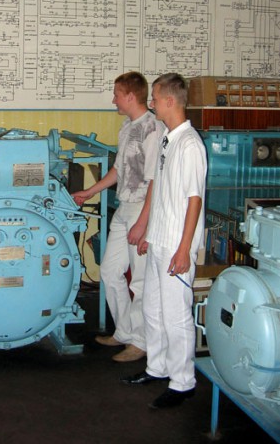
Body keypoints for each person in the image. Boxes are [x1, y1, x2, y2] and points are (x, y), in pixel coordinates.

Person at [120, 73, 207, 410]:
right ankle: (157, 368)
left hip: (176, 246)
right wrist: (147, 232)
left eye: (155, 98)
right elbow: (159, 191)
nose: (151, 103)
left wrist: (184, 249)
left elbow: (194, 200)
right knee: (152, 310)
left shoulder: (190, 145)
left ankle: (183, 382)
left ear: (170, 101)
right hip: (159, 239)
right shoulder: (167, 139)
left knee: (175, 316)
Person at [72, 71, 164, 362]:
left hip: (142, 209)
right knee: (110, 272)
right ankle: (125, 332)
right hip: (125, 206)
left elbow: (155, 181)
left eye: (116, 95)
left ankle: (141, 342)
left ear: (130, 96)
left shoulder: (154, 129)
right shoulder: (127, 127)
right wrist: (89, 192)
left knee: (141, 280)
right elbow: (118, 170)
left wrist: (143, 222)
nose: (114, 100)